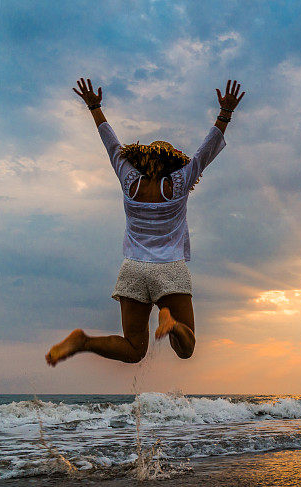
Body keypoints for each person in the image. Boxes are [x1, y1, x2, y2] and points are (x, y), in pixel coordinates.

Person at [45, 77, 244, 367]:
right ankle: (171, 323)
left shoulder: (129, 181)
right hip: (169, 269)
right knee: (185, 348)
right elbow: (205, 152)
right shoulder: (178, 182)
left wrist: (94, 106)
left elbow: (111, 144)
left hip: (133, 269)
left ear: (142, 160)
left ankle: (83, 341)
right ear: (173, 162)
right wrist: (225, 114)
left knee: (134, 349)